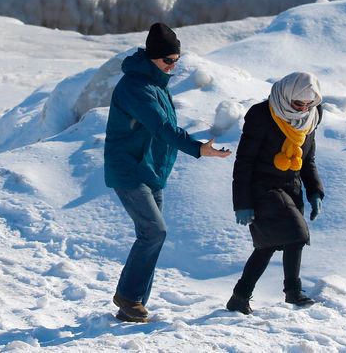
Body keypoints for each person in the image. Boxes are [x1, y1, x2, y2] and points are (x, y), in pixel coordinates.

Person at [104, 22, 232, 323]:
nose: (173, 66)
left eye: (177, 60)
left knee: (150, 235)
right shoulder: (136, 87)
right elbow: (162, 127)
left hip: (149, 170)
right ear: (152, 57)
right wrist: (198, 149)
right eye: (168, 60)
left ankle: (132, 306)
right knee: (155, 231)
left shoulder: (156, 84)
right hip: (129, 170)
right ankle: (129, 297)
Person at [226, 71, 325, 315]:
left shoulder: (312, 116)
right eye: (297, 103)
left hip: (291, 186)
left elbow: (308, 158)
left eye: (307, 103)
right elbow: (244, 161)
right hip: (262, 187)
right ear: (285, 95)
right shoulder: (262, 115)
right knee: (297, 233)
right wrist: (242, 202)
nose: (302, 108)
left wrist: (314, 191)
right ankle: (293, 291)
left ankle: (239, 297)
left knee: (267, 245)